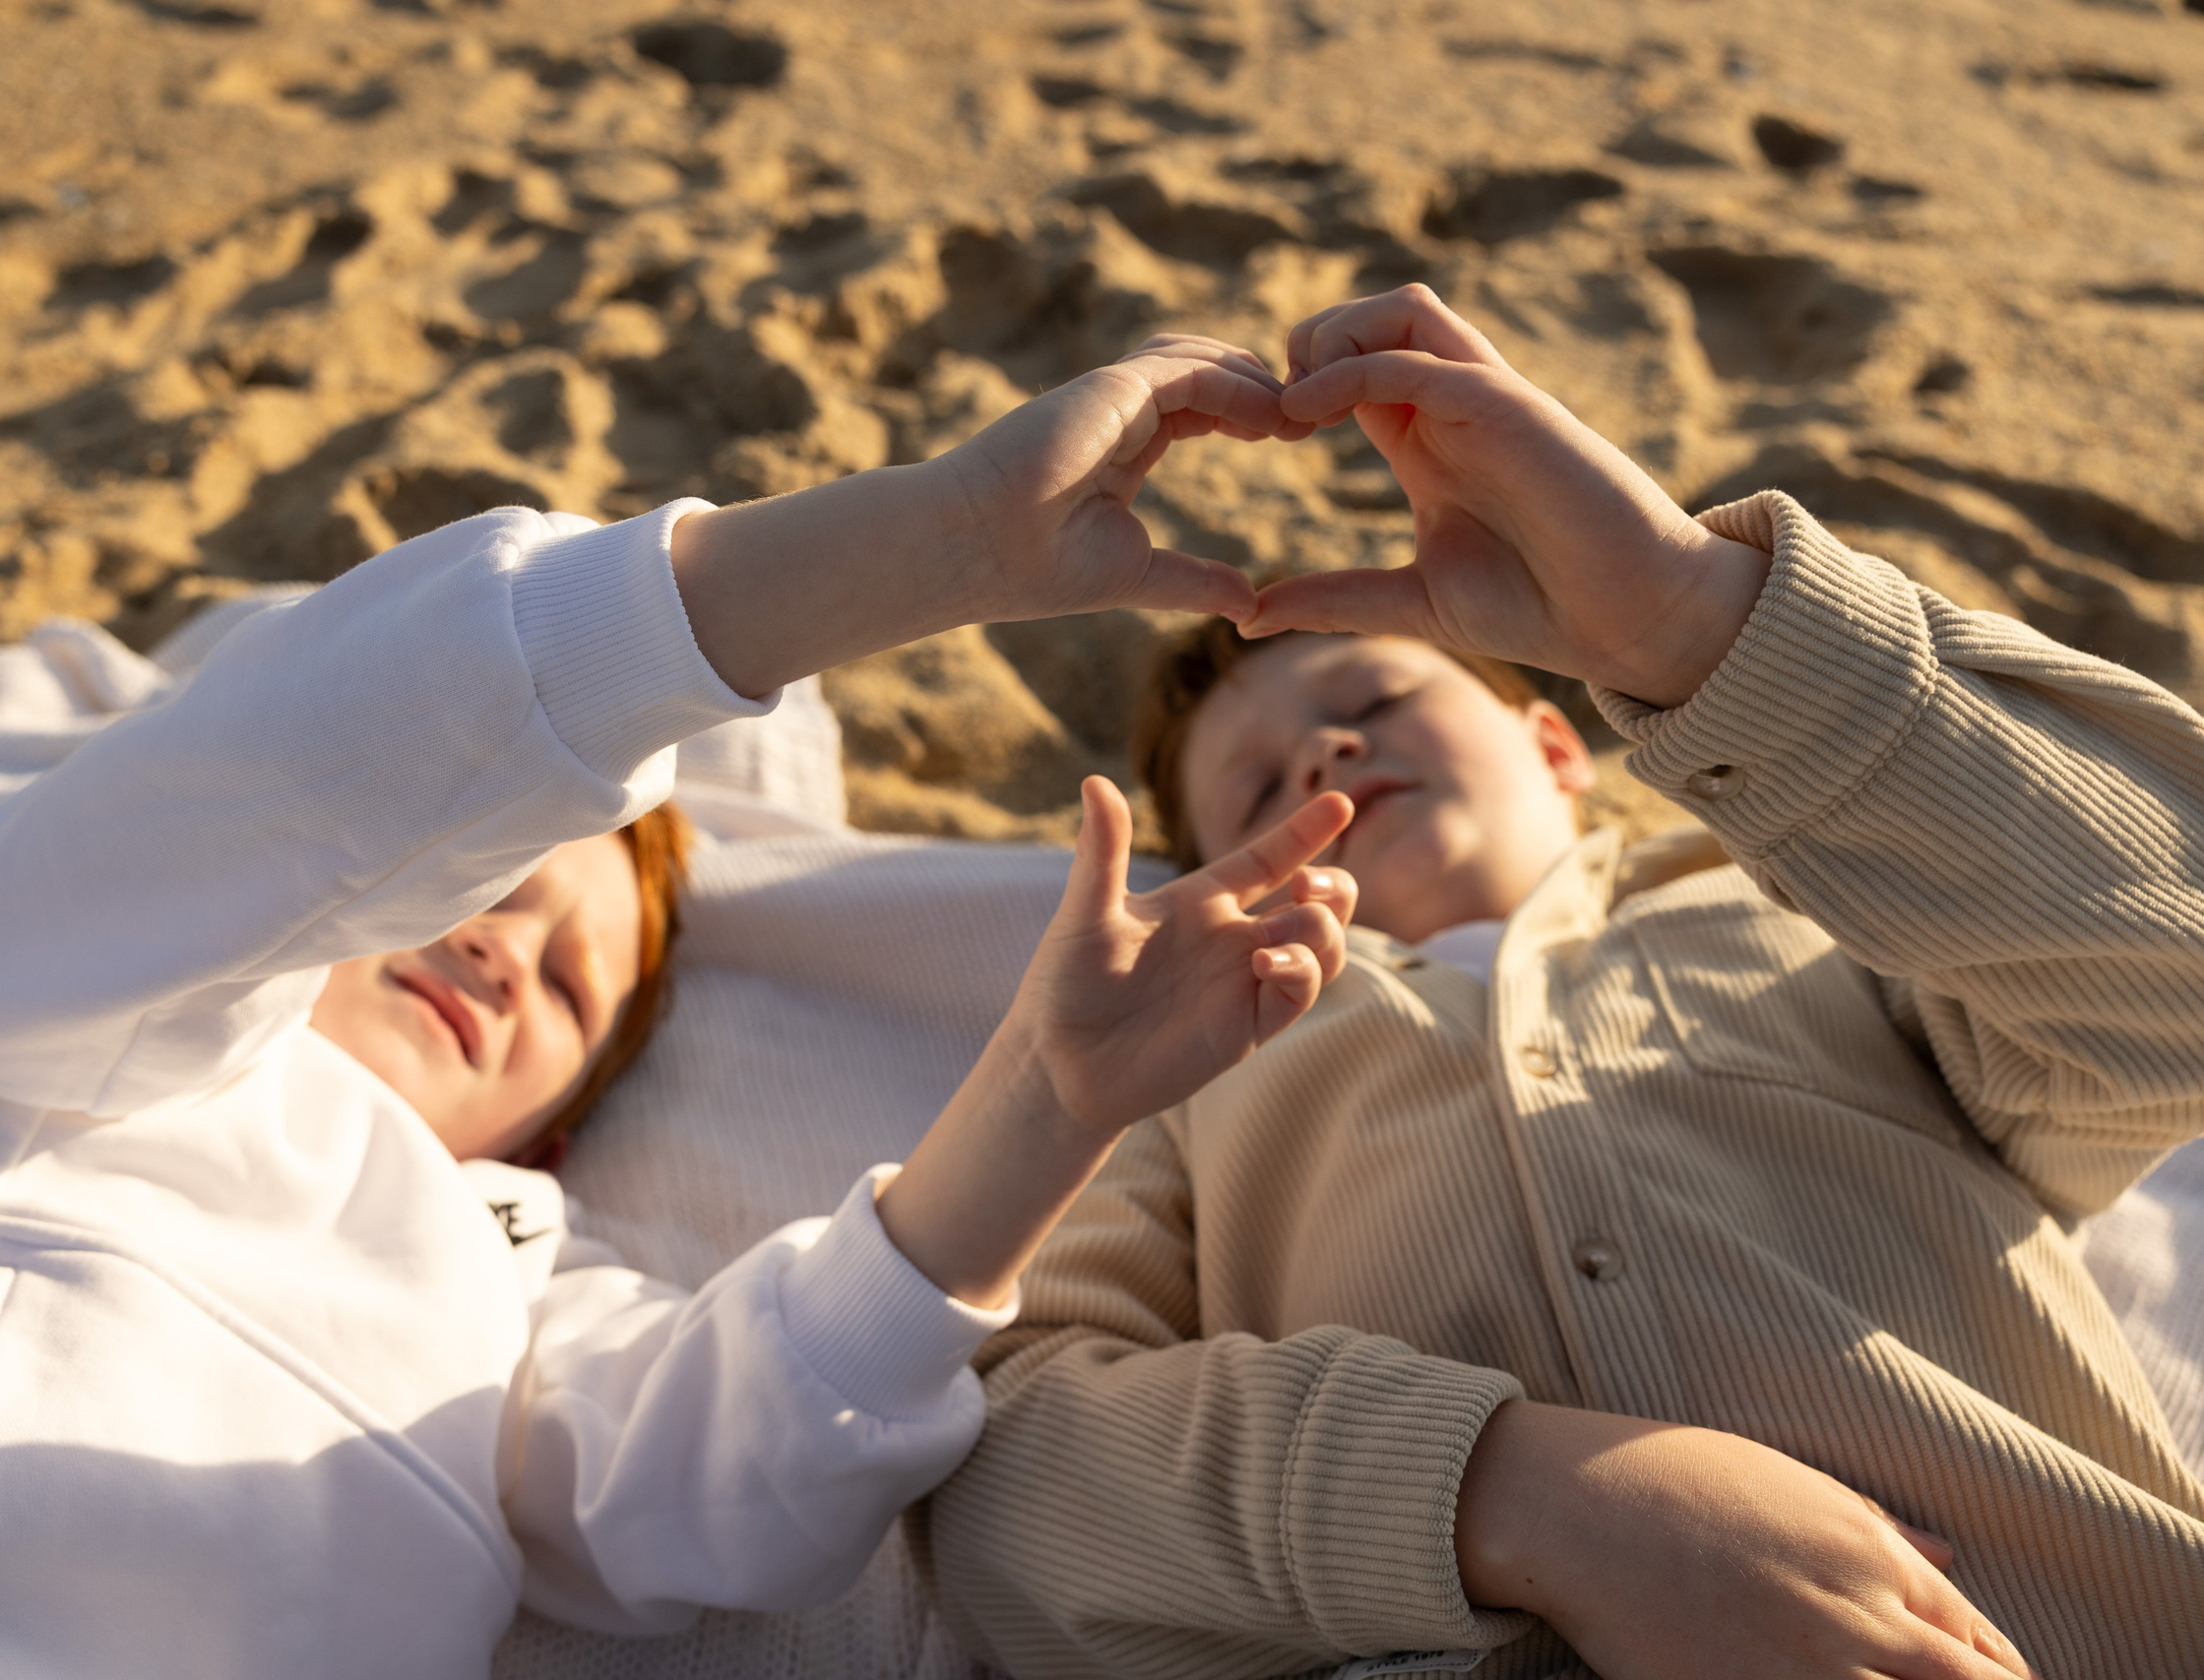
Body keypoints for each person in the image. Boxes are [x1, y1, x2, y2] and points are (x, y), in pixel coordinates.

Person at [0, 336, 1358, 1678]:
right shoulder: (18, 1025)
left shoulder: (515, 1272)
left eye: (568, 980)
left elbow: (733, 1470)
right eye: (476, 890)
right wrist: (939, 545)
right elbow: (299, 769)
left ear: (556, 1124)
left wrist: (1044, 1106)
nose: (499, 945)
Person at [921, 286, 2204, 1680]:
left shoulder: (1815, 909)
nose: (1328, 764)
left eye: (1373, 709)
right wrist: (1506, 1498)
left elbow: (2167, 983)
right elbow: (1016, 1484)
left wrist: (1687, 620)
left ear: (1556, 745)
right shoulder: (1189, 1077)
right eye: (1259, 792)